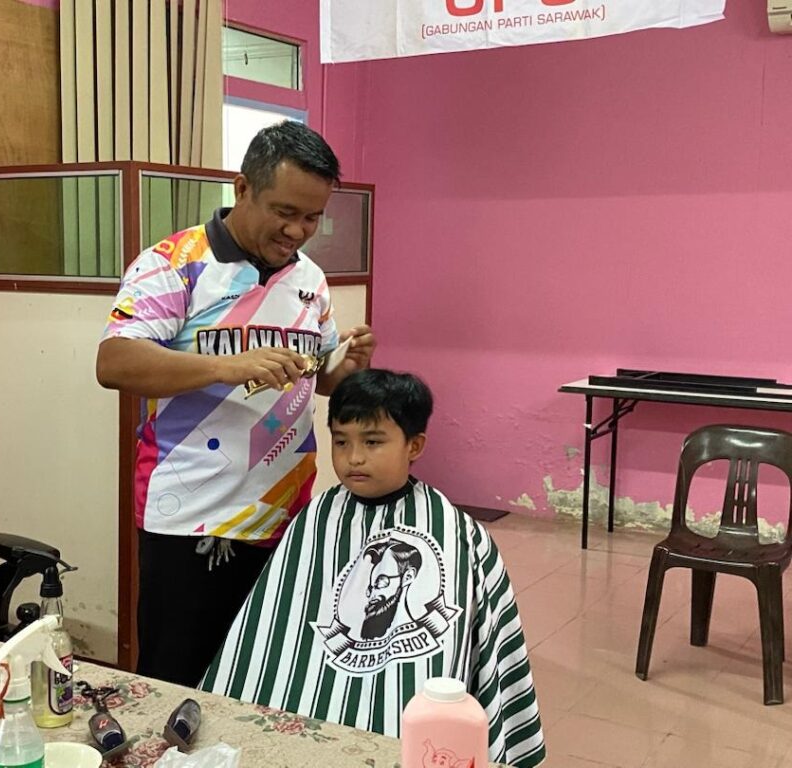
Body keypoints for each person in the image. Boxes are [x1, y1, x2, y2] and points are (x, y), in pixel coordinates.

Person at [96, 120, 375, 686]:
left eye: (313, 217)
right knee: (175, 680)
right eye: (284, 211)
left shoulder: (311, 279)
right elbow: (115, 363)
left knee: (263, 676)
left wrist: (345, 368)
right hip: (192, 518)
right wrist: (227, 366)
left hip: (285, 514)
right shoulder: (174, 263)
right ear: (242, 188)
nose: (297, 230)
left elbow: (315, 378)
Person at [201, 370, 546, 768]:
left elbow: (490, 644)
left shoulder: (457, 533)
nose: (354, 457)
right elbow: (275, 624)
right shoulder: (315, 518)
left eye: (373, 442)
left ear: (414, 445)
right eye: (341, 441)